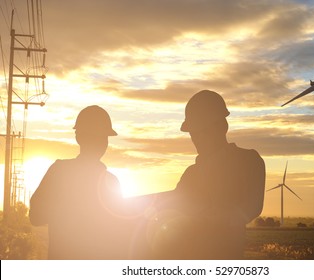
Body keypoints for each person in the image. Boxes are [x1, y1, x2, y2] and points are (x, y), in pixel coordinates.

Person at [148, 90, 266, 259]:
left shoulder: (248, 161)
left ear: (222, 126)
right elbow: (171, 204)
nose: (196, 138)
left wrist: (202, 217)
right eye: (193, 133)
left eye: (202, 131)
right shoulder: (191, 174)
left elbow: (250, 208)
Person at [29, 105, 131, 259]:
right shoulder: (110, 182)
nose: (101, 142)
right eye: (98, 136)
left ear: (78, 137)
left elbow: (36, 217)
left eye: (102, 137)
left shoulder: (59, 172)